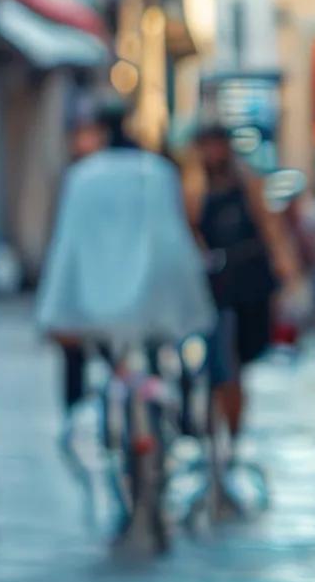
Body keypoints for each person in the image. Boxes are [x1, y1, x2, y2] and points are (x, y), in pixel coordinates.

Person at [36, 105, 215, 432]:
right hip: (151, 292)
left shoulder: (84, 176)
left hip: (97, 294)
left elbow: (68, 243)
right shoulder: (157, 172)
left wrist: (59, 302)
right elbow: (172, 237)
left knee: (89, 356)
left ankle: (75, 416)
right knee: (166, 352)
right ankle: (183, 419)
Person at [185, 124, 301, 449]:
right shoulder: (194, 189)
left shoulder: (247, 183)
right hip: (214, 288)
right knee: (223, 363)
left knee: (238, 362)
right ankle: (220, 438)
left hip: (249, 283)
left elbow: (271, 228)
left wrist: (286, 271)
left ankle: (230, 437)